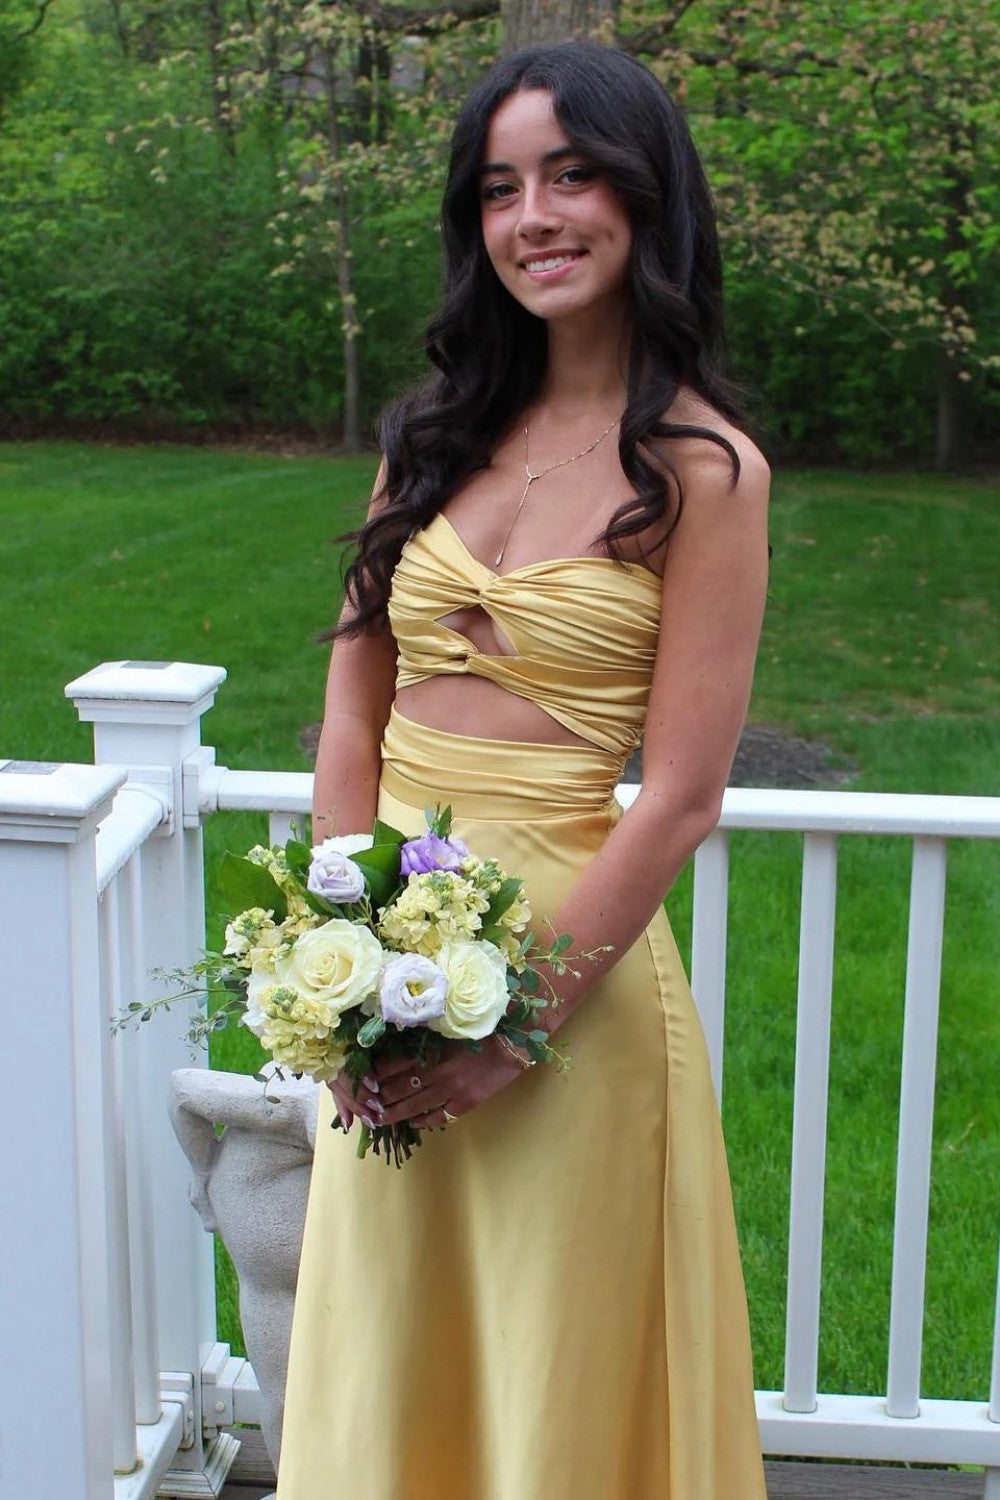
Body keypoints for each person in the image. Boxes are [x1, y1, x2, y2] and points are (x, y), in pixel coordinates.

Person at [277, 40, 770, 1500]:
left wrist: (514, 1033)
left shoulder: (703, 471)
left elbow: (680, 797)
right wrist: (338, 949)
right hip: (388, 972)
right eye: (500, 188)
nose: (534, 217)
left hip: (573, 991)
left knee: (560, 1370)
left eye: (570, 175)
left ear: (644, 196)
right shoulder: (431, 437)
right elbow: (352, 712)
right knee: (395, 1359)